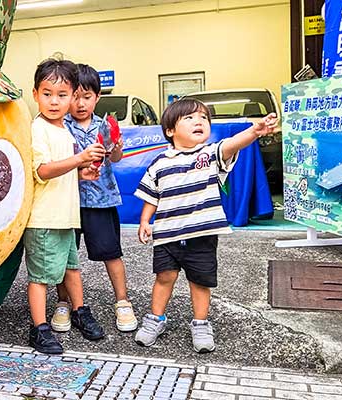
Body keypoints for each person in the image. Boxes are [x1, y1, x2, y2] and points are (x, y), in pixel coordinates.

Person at [134, 98, 277, 353]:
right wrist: (145, 221)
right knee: (164, 276)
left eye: (203, 118)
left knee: (200, 281)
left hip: (202, 236)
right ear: (170, 130)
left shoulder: (209, 155)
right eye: (189, 118)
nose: (198, 121)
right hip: (166, 236)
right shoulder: (159, 163)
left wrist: (255, 131)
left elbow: (232, 145)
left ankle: (200, 323)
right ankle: (155, 319)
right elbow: (151, 196)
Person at [24, 58, 106, 355]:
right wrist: (79, 159)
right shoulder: (38, 129)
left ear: (73, 96)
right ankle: (39, 328)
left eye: (62, 95)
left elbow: (62, 170)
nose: (54, 101)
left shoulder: (64, 131)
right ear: (35, 94)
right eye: (47, 94)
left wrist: (83, 173)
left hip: (66, 217)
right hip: (44, 218)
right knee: (41, 277)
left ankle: (80, 311)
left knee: (72, 268)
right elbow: (43, 170)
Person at [51, 64, 138, 337]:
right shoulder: (59, 127)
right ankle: (63, 303)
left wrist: (117, 149)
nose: (79, 103)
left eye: (86, 97)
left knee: (111, 253)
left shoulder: (105, 125)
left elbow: (115, 158)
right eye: (73, 96)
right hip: (68, 200)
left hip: (102, 201)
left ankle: (122, 302)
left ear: (97, 97)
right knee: (66, 256)